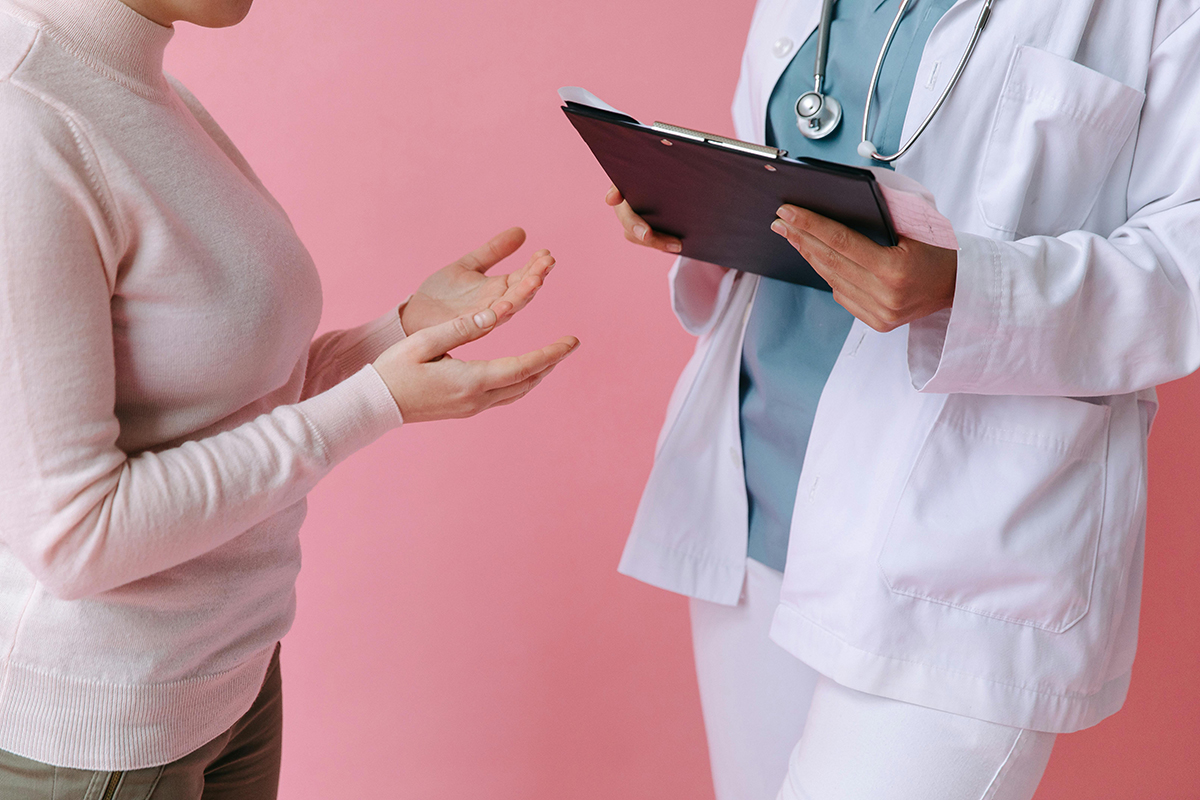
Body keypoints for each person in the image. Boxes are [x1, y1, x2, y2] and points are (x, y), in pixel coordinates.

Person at [607, 0, 1200, 798]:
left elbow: (1185, 266)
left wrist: (968, 288)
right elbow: (791, 150)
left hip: (967, 535)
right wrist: (698, 204)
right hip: (758, 492)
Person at [0, 0, 578, 796]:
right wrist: (375, 401)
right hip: (103, 732)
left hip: (229, 681)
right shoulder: (22, 119)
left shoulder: (137, 85)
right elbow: (73, 536)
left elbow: (228, 403)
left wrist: (395, 337)